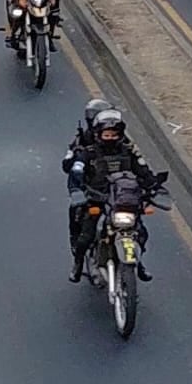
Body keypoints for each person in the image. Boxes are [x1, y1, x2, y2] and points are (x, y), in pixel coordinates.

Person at [65, 108, 162, 283]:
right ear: (98, 134)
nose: (110, 138)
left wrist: (154, 186)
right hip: (97, 198)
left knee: (140, 233)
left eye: (114, 135)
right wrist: (77, 190)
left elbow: (143, 171)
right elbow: (75, 171)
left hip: (123, 199)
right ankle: (77, 265)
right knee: (86, 236)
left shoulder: (128, 152)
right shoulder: (88, 153)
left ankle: (138, 264)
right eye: (106, 135)